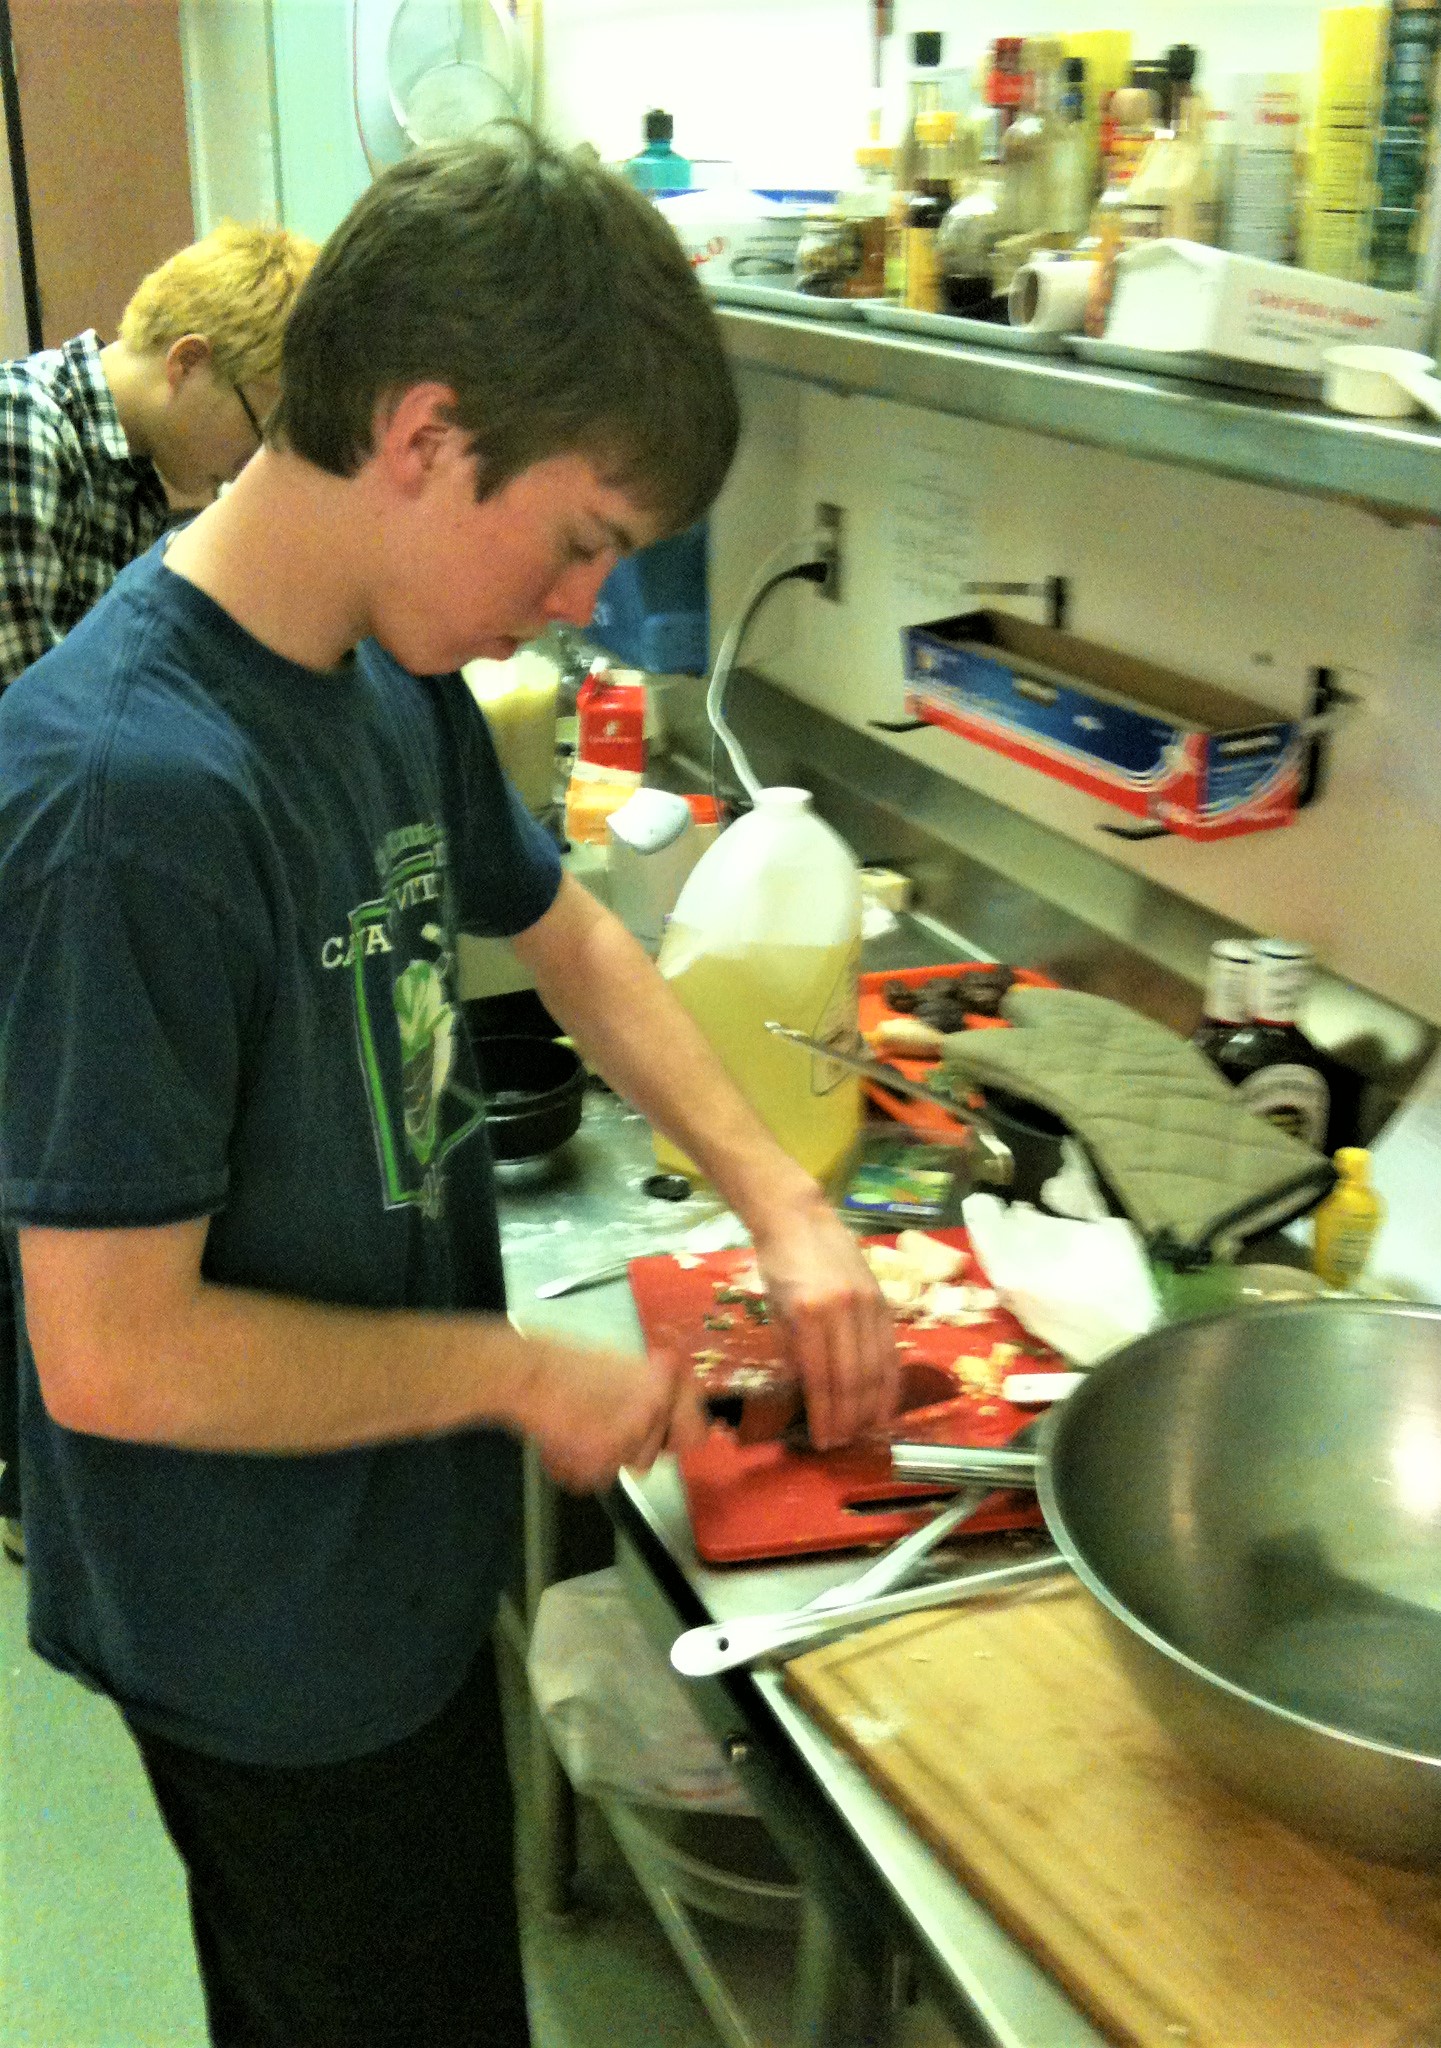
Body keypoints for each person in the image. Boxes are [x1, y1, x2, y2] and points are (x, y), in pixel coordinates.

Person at [0, 130, 896, 2048]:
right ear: (422, 433)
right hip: (256, 1619)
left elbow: (563, 931)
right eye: (576, 536)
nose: (580, 600)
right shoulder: (125, 795)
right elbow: (115, 1357)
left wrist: (784, 1198)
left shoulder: (372, 667)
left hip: (380, 1552)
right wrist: (508, 1374)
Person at [0, 219, 318, 1566]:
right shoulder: (17, 443)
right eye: (254, 437)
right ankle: (37, 1471)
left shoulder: (146, 474)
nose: (250, 477)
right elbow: (36, 734)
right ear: (190, 364)